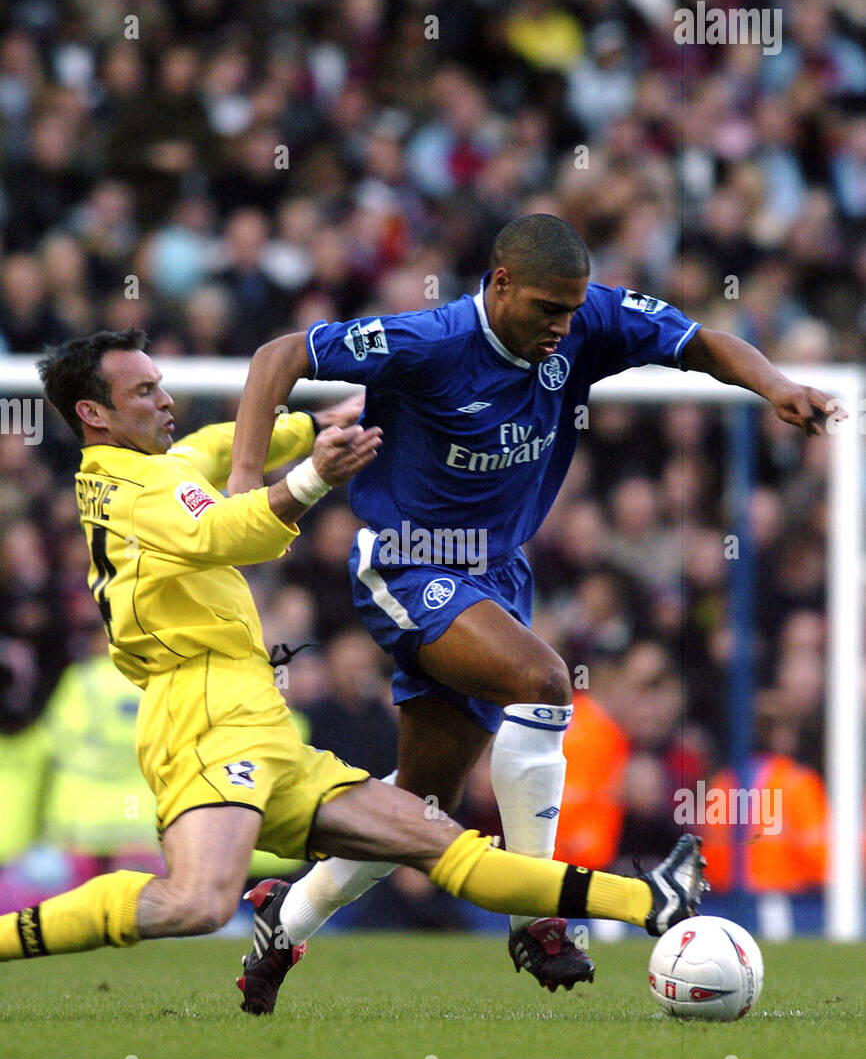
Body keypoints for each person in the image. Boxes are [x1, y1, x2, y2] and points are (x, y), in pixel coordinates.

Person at [0, 327, 709, 1015]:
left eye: (160, 385)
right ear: (93, 413)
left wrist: (315, 426)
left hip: (259, 722)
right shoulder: (139, 492)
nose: (165, 400)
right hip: (204, 717)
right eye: (144, 391)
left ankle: (650, 899)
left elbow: (212, 447)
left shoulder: (148, 472)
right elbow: (224, 534)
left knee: (438, 839)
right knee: (196, 902)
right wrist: (312, 476)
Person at [228, 212, 838, 991]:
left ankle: (286, 917)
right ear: (502, 282)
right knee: (545, 682)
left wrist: (777, 385)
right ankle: (538, 920)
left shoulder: (587, 320)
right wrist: (247, 479)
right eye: (548, 309)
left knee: (420, 804)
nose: (562, 326)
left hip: (498, 575)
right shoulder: (430, 340)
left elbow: (702, 343)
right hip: (409, 562)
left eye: (572, 310)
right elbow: (280, 354)